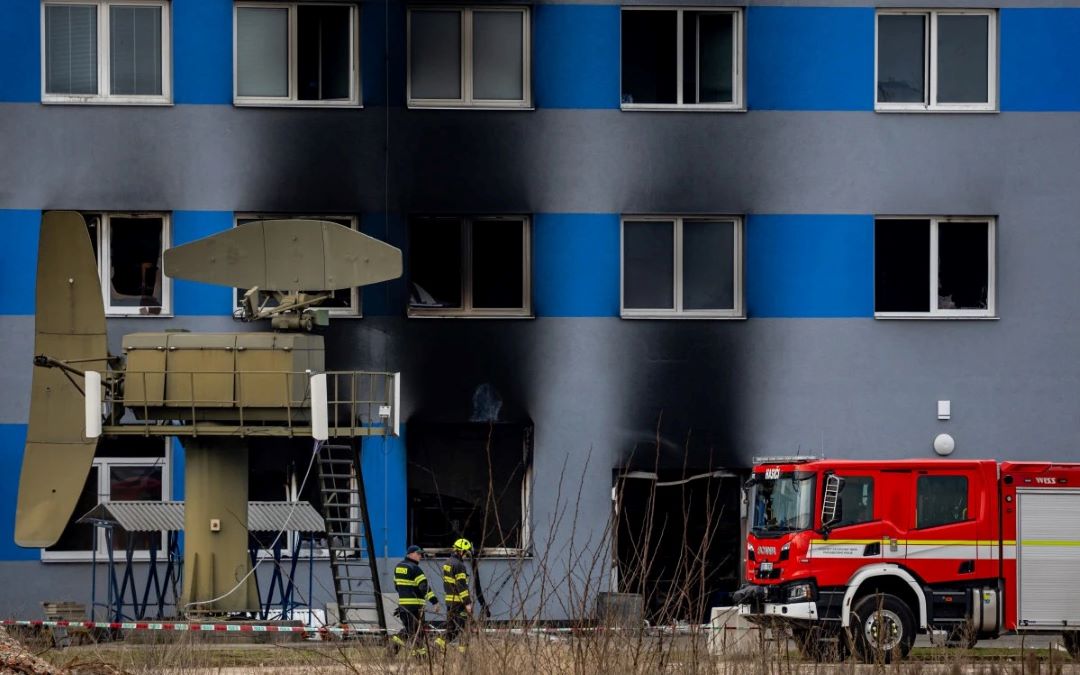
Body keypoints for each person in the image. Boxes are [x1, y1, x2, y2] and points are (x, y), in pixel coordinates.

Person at [392, 545, 438, 655]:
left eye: (421, 554)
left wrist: (404, 600)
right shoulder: (415, 569)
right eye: (418, 554)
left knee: (409, 630)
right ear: (410, 554)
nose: (420, 556)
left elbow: (397, 586)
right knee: (417, 633)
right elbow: (424, 587)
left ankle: (392, 650)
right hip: (416, 607)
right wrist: (434, 601)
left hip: (404, 606)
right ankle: (419, 657)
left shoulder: (398, 567)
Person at [435, 538, 473, 651]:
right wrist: (467, 603)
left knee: (451, 627)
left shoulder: (447, 563)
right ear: (461, 551)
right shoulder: (460, 566)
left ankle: (438, 644)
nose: (466, 556)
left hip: (449, 600)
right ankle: (463, 655)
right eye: (466, 553)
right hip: (459, 602)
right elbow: (461, 586)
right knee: (462, 629)